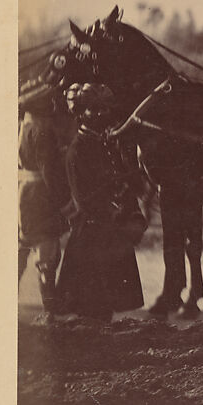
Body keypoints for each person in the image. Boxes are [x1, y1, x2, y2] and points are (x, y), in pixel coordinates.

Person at [56, 84, 146, 323]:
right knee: (90, 306)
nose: (99, 115)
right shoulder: (76, 151)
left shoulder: (106, 145)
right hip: (92, 237)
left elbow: (122, 181)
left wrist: (134, 213)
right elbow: (84, 201)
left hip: (110, 233)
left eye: (102, 110)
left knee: (105, 309)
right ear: (80, 114)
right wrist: (117, 216)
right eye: (92, 110)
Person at [18, 102, 72, 316]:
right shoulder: (42, 131)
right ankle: (51, 306)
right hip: (41, 196)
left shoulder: (25, 125)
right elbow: (49, 171)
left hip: (24, 192)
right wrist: (65, 204)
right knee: (47, 255)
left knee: (22, 246)